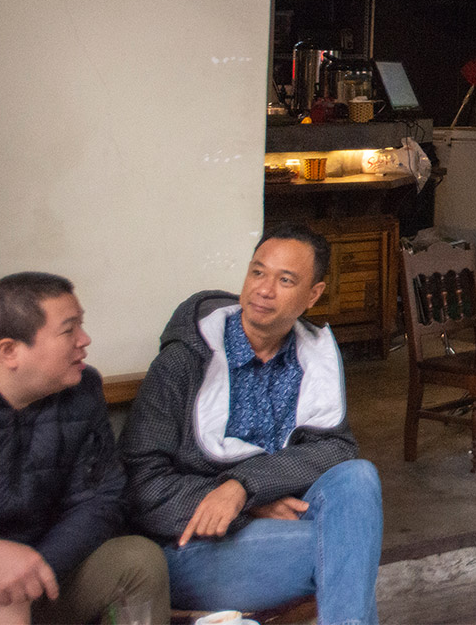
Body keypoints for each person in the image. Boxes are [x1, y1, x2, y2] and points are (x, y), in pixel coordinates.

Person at [120, 225, 382, 624]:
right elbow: (140, 485)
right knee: (347, 547)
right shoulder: (184, 362)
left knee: (358, 478)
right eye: (258, 272)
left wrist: (244, 486)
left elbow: (336, 448)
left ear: (313, 295)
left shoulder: (311, 358)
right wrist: (245, 506)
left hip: (276, 530)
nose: (264, 289)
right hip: (189, 546)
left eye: (285, 280)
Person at [0, 273, 169, 625]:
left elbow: (100, 501)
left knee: (138, 561)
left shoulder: (81, 389)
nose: (84, 341)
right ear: (9, 351)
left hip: (38, 581)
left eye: (81, 325)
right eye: (68, 330)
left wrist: (29, 580)